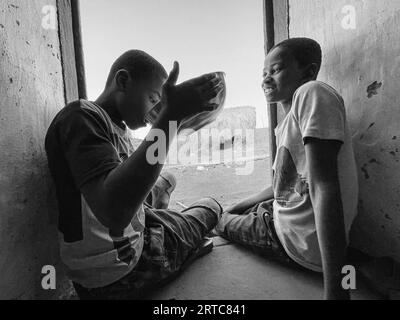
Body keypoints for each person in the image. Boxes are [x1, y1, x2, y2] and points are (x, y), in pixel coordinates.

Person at [45, 50, 224, 299]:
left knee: (167, 180)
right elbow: (114, 212)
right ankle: (183, 242)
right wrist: (171, 117)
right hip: (125, 271)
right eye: (153, 100)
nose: (155, 113)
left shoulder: (108, 126)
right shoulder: (80, 116)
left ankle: (162, 211)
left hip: (110, 260)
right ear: (123, 81)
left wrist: (175, 121)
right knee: (209, 207)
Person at [216, 38, 359, 300]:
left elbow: (324, 186)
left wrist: (336, 291)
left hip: (293, 243)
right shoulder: (286, 124)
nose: (266, 79)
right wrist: (240, 203)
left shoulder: (312, 93)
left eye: (276, 70)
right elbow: (282, 184)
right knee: (247, 209)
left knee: (220, 220)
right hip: (287, 221)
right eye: (264, 73)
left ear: (308, 71)